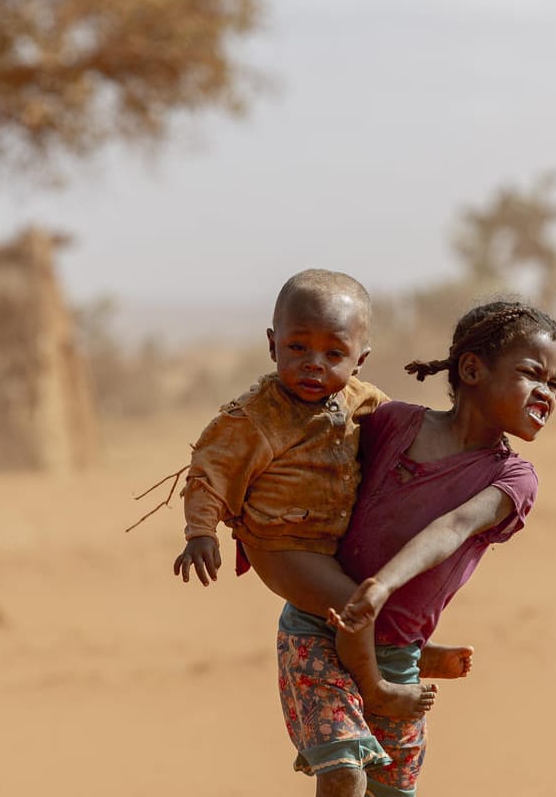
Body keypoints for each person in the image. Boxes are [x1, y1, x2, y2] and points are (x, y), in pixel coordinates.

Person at [260, 299, 556, 797]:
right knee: (343, 771)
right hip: (319, 630)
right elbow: (309, 440)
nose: (547, 391)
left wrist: (384, 587)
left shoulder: (512, 477)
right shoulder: (391, 422)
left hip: (395, 645)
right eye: (531, 373)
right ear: (471, 369)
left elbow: (453, 526)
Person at [173, 269, 436, 717]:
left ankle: (402, 649)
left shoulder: (361, 399)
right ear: (273, 345)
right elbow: (209, 471)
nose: (314, 363)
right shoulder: (256, 416)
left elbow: (408, 429)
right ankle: (376, 688)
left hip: (331, 541)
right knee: (356, 604)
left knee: (379, 590)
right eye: (298, 348)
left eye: (334, 353)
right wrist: (200, 532)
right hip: (280, 545)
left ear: (360, 359)